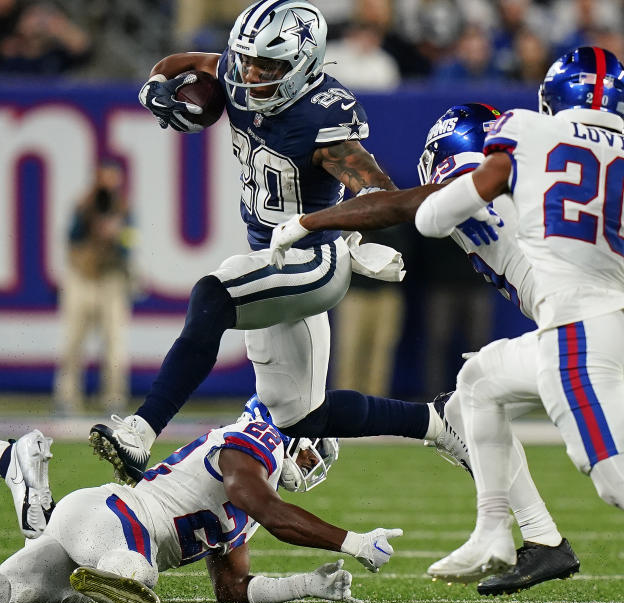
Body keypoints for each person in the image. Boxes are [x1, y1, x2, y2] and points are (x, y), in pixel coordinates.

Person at [271, 56, 624, 603]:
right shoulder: (610, 158)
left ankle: (522, 535)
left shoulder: (509, 159)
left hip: (583, 327)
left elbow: (409, 208)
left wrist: (313, 222)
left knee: (535, 423)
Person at [90, 0, 468, 486]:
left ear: (303, 63)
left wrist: (318, 222)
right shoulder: (239, 69)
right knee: (300, 418)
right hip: (272, 258)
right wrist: (156, 90)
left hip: (314, 260)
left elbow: (384, 196)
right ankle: (437, 422)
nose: (251, 73)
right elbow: (177, 65)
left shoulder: (321, 117)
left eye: (267, 64)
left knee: (214, 294)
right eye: (246, 59)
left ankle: (140, 430)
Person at [0, 396, 403, 603]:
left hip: (92, 525)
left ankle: (46, 529)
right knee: (137, 575)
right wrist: (354, 542)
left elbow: (231, 589)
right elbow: (273, 513)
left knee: (12, 591)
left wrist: (306, 585)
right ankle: (35, 500)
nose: (311, 467)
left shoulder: (252, 495)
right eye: (311, 456)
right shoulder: (258, 439)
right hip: (115, 517)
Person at [54, 160, 135, 416]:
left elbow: (129, 244)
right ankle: (67, 398)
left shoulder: (123, 209)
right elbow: (72, 238)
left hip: (111, 279)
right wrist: (89, 218)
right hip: (82, 277)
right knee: (73, 340)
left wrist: (117, 234)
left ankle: (113, 398)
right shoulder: (83, 205)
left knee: (114, 341)